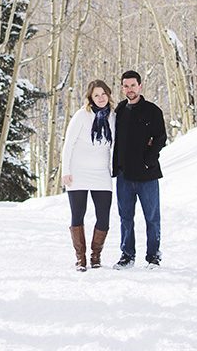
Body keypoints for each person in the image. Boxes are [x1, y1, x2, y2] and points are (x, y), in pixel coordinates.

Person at [112, 70, 167, 269]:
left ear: (140, 86)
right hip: (124, 176)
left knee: (152, 218)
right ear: (122, 88)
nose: (130, 89)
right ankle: (127, 255)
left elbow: (160, 138)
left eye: (133, 85)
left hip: (147, 174)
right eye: (126, 86)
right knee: (125, 217)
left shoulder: (152, 111)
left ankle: (153, 256)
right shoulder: (119, 111)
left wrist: (148, 160)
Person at [61, 79, 115, 271]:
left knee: (104, 217)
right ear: (90, 98)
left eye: (103, 94)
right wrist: (65, 171)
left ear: (108, 95)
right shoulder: (81, 116)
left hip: (101, 173)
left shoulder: (113, 117)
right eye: (96, 95)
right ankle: (80, 258)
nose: (101, 98)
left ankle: (96, 256)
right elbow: (68, 144)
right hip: (78, 173)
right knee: (78, 215)